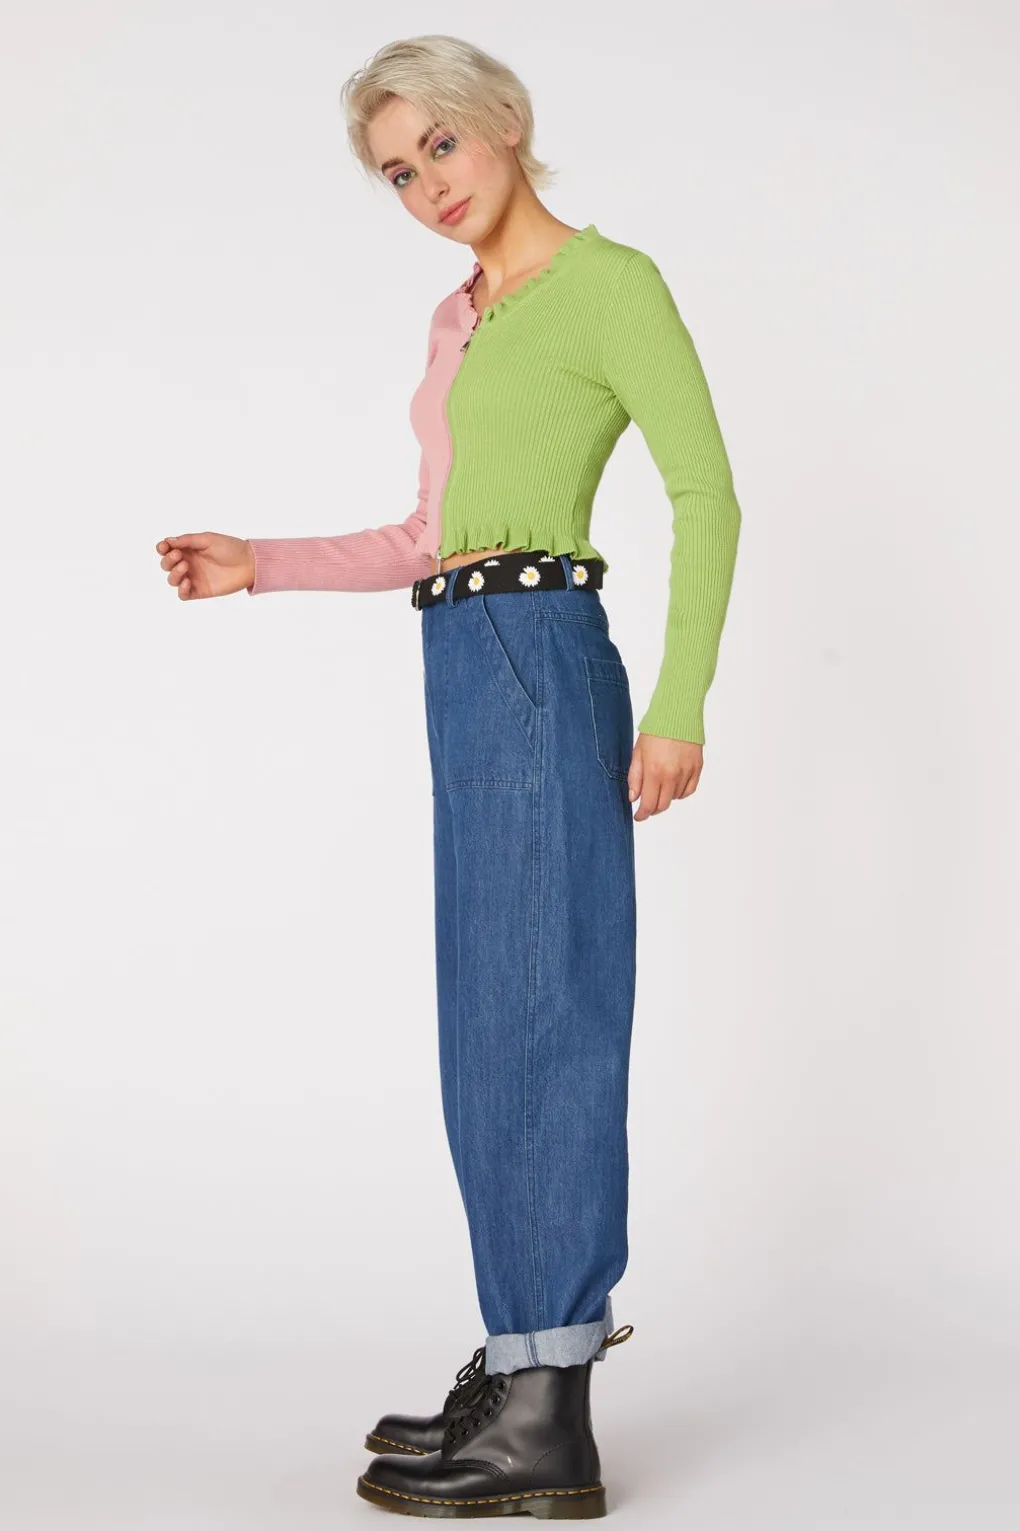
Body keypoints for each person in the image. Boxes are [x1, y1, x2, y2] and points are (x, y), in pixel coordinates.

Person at [155, 33, 741, 1521]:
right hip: (462, 658)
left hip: (543, 652)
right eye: (397, 172)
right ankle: (519, 1360)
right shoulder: (458, 317)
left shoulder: (610, 285)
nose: (427, 185)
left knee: (549, 1013)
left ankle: (550, 1418)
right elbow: (432, 534)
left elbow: (706, 492)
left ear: (507, 124)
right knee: (487, 1021)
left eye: (441, 147)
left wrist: (676, 704)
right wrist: (261, 561)